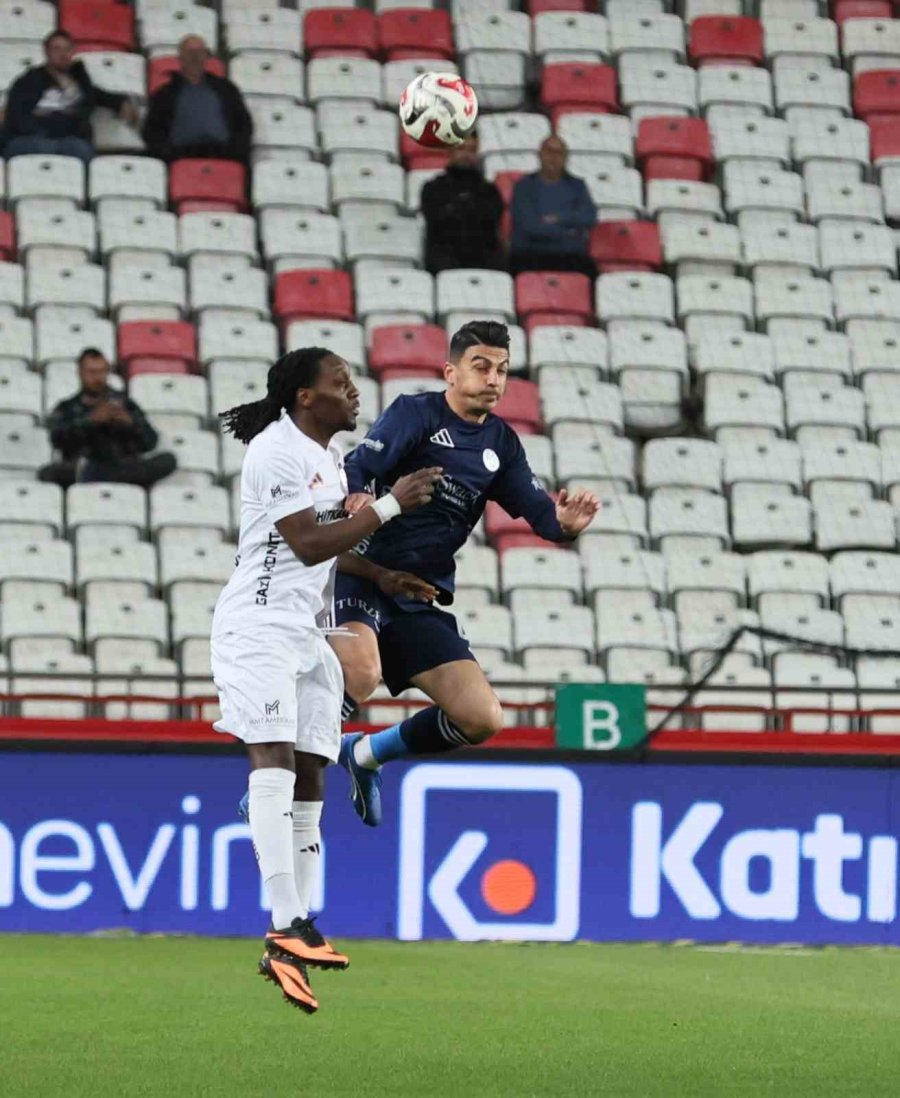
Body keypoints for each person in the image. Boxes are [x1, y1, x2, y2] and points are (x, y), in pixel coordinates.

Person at [212, 347, 441, 1013]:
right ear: (306, 397)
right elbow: (305, 544)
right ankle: (283, 921)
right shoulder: (276, 450)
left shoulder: (326, 457)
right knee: (276, 759)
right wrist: (391, 508)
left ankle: (296, 930)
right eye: (340, 382)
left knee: (314, 765)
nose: (354, 390)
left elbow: (329, 543)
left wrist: (379, 575)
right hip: (257, 626)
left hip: (306, 631)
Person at [332, 320, 599, 826]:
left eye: (502, 369)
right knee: (359, 672)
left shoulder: (501, 444)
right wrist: (361, 494)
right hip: (361, 575)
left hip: (414, 597)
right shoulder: (416, 413)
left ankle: (364, 755)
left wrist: (565, 525)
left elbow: (543, 515)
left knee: (481, 718)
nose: (494, 378)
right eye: (481, 366)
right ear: (450, 372)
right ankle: (282, 783)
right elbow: (359, 464)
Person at [39, 349, 176, 489]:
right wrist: (91, 421)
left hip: (123, 464)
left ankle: (101, 476)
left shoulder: (125, 404)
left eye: (102, 372)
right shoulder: (66, 407)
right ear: (80, 373)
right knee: (48, 473)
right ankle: (108, 476)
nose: (98, 378)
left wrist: (130, 422)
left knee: (168, 460)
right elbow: (56, 440)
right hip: (84, 465)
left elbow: (151, 442)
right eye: (92, 372)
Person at [1, 30, 138, 163]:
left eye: (67, 49)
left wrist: (122, 102)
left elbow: (100, 96)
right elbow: (16, 116)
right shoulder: (29, 80)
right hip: (34, 137)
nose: (63, 54)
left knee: (81, 150)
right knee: (34, 147)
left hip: (70, 140)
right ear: (46, 52)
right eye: (57, 49)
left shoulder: (80, 82)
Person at [142, 35, 253, 165]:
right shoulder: (164, 94)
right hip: (178, 157)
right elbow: (152, 131)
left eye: (200, 52)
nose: (195, 57)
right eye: (190, 52)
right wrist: (167, 154)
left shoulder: (226, 89)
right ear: (180, 57)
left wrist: (235, 151)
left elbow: (243, 124)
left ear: (206, 57)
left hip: (223, 155)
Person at [509, 135, 597, 278]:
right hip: (530, 256)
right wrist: (570, 233)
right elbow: (531, 227)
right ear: (539, 155)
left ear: (566, 158)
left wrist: (558, 218)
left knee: (590, 271)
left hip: (570, 256)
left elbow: (589, 217)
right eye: (549, 151)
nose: (553, 157)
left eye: (559, 153)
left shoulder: (577, 186)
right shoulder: (524, 186)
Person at [421, 134, 505, 273]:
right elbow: (437, 222)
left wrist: (455, 209)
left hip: (483, 261)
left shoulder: (490, 190)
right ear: (450, 151)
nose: (466, 155)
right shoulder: (432, 188)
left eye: (471, 150)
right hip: (445, 261)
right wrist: (470, 210)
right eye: (461, 149)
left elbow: (491, 223)